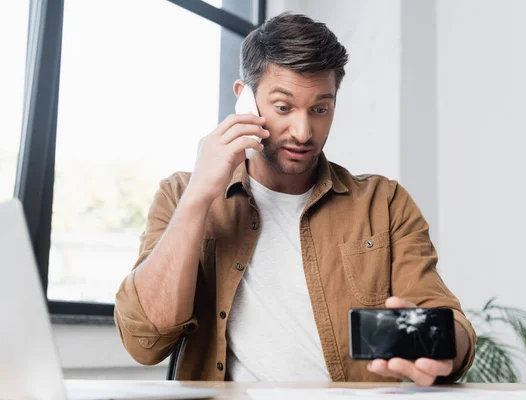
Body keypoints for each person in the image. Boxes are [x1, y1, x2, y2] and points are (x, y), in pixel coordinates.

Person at [114, 12, 476, 385]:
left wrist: (443, 348)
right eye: (283, 108)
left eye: (320, 109)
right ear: (245, 101)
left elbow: (449, 324)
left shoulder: (384, 204)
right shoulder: (181, 194)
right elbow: (146, 342)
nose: (303, 132)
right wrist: (199, 197)